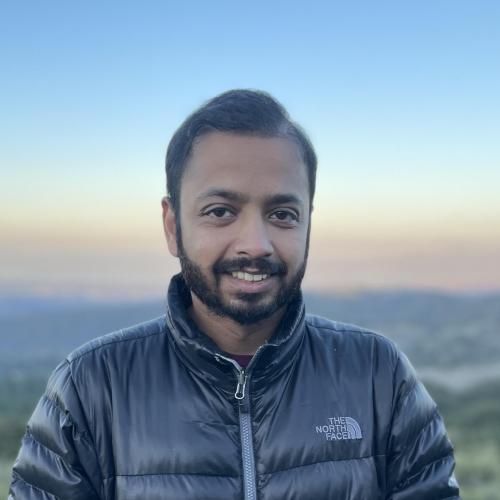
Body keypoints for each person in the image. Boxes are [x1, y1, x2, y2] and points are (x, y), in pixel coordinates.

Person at [9, 89, 460, 499]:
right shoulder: (91, 388)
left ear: (308, 223)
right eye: (221, 211)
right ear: (173, 226)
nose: (256, 244)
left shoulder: (378, 376)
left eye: (283, 214)